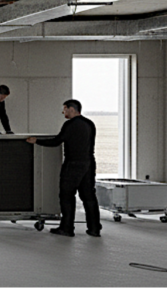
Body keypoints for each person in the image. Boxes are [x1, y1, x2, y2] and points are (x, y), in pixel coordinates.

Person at [26, 99, 102, 237]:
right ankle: (94, 228)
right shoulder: (89, 124)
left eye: (65, 109)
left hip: (73, 164)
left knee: (66, 195)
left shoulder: (70, 125)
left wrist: (36, 141)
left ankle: (67, 228)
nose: (63, 112)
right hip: (89, 163)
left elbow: (56, 141)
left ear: (71, 109)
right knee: (89, 196)